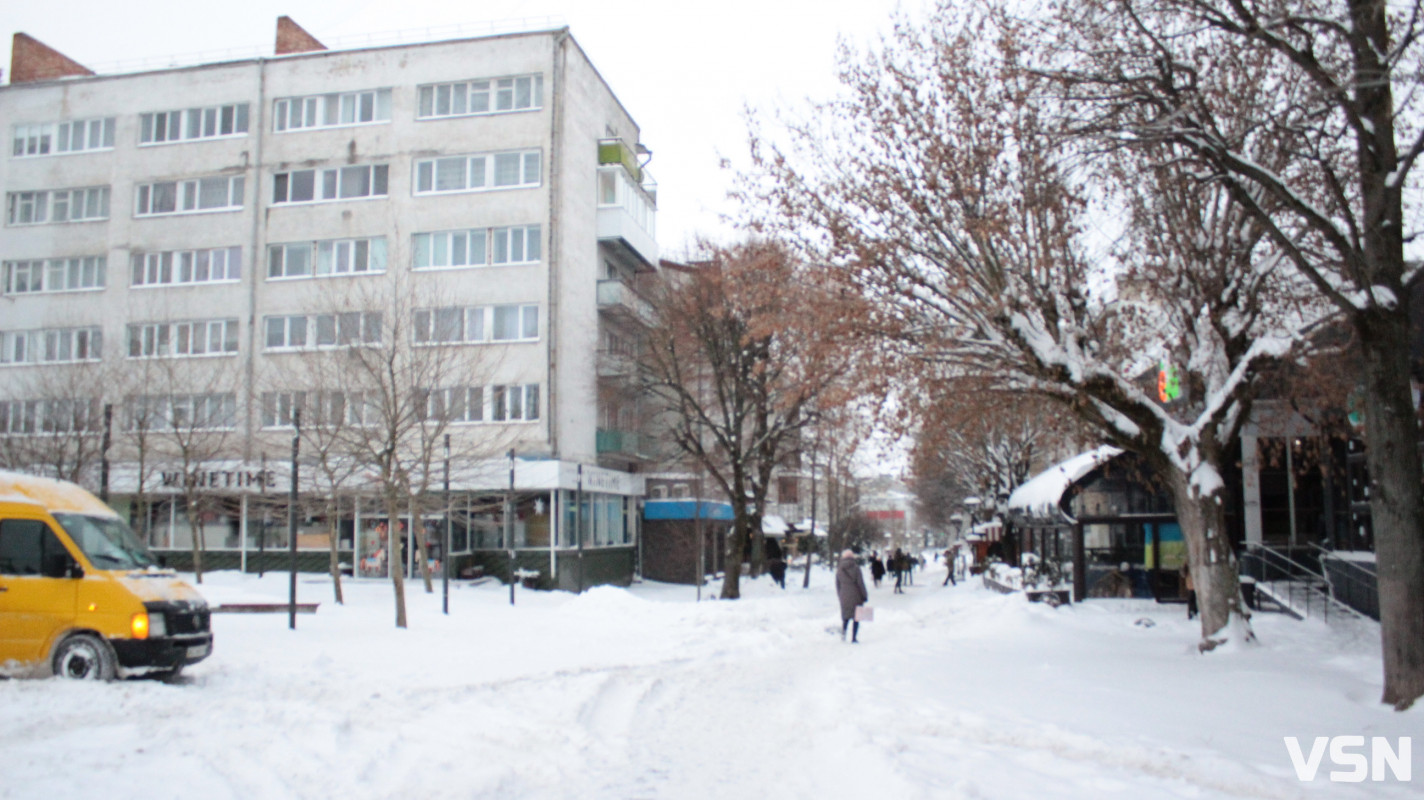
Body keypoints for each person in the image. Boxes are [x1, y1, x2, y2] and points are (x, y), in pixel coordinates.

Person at [835, 549, 869, 643]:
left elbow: (837, 584)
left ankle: (843, 635)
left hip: (844, 596)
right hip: (856, 595)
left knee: (845, 616)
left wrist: (840, 595)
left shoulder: (839, 569)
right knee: (856, 617)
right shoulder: (856, 568)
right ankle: (854, 637)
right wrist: (864, 595)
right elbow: (861, 583)